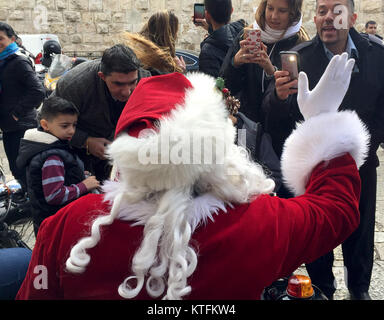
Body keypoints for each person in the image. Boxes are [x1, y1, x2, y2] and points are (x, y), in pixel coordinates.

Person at [16, 54, 370, 300]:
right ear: (217, 153)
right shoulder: (261, 223)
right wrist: (322, 120)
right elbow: (335, 210)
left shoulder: (67, 227)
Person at [262, 0, 384, 300]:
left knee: (360, 233)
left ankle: (359, 289)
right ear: (314, 19)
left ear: (352, 17)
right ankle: (322, 290)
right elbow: (271, 117)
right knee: (318, 233)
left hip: (361, 164)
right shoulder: (299, 58)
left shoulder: (377, 55)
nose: (329, 18)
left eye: (337, 11)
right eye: (322, 11)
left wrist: (365, 145)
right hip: (315, 170)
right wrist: (277, 98)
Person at [51, 44, 151, 182]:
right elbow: (49, 123)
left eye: (132, 82)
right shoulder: (74, 85)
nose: (127, 92)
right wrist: (86, 141)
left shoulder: (145, 79)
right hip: (77, 156)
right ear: (102, 76)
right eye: (118, 84)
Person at [16, 96, 100, 235]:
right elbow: (54, 195)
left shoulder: (49, 146)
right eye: (65, 126)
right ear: (45, 125)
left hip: (50, 222)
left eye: (74, 125)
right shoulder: (52, 156)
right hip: (57, 226)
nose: (71, 131)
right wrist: (84, 186)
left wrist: (78, 174)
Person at [219, 0, 309, 124]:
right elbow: (222, 86)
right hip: (243, 126)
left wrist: (271, 72)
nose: (273, 16)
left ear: (293, 13)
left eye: (282, 11)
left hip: (277, 134)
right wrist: (235, 63)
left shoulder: (300, 44)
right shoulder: (246, 35)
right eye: (270, 8)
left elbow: (297, 103)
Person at [0, 22, 45, 193]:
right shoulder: (3, 62)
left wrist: (16, 114)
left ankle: (34, 202)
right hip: (9, 125)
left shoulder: (18, 61)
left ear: (11, 39)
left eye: (0, 39)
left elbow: (38, 91)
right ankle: (28, 195)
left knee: (23, 167)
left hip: (21, 125)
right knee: (15, 166)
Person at [119, 10, 185, 76]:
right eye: (176, 31)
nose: (177, 36)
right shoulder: (156, 65)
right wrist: (179, 73)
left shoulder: (141, 56)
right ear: (170, 34)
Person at [197, 0, 246, 78]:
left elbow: (209, 87)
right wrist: (211, 30)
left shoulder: (207, 51)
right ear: (231, 10)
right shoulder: (243, 30)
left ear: (206, 14)